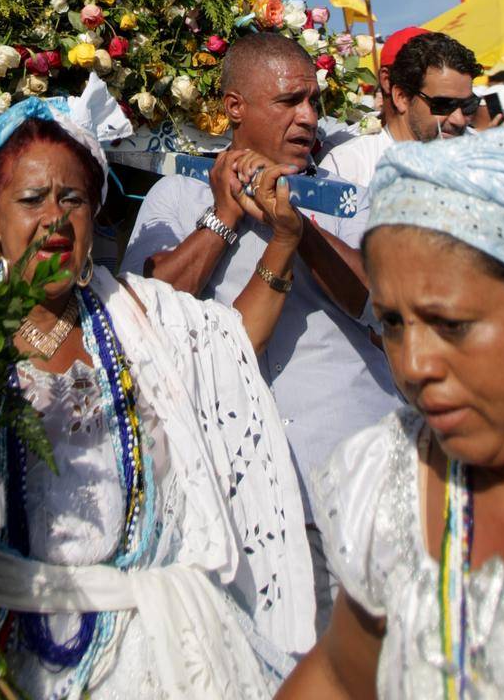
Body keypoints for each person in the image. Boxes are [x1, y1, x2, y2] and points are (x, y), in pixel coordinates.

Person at [0, 75, 316, 699]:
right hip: (4, 638)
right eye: (33, 199)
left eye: (73, 199)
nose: (55, 218)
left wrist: (286, 242)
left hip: (159, 645)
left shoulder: (139, 312)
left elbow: (234, 343)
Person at [279, 126, 504, 699]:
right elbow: (341, 674)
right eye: (391, 323)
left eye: (451, 325)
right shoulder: (392, 478)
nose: (413, 364)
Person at [122, 32, 397, 638]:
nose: (308, 117)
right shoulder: (177, 192)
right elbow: (147, 309)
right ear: (234, 108)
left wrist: (298, 230)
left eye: (316, 103)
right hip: (244, 486)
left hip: (358, 466)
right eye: (290, 101)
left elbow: (380, 302)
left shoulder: (346, 194)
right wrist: (223, 216)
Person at [322, 31, 479, 190]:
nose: (458, 119)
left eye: (468, 104)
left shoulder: (481, 157)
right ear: (401, 97)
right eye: (444, 104)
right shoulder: (349, 165)